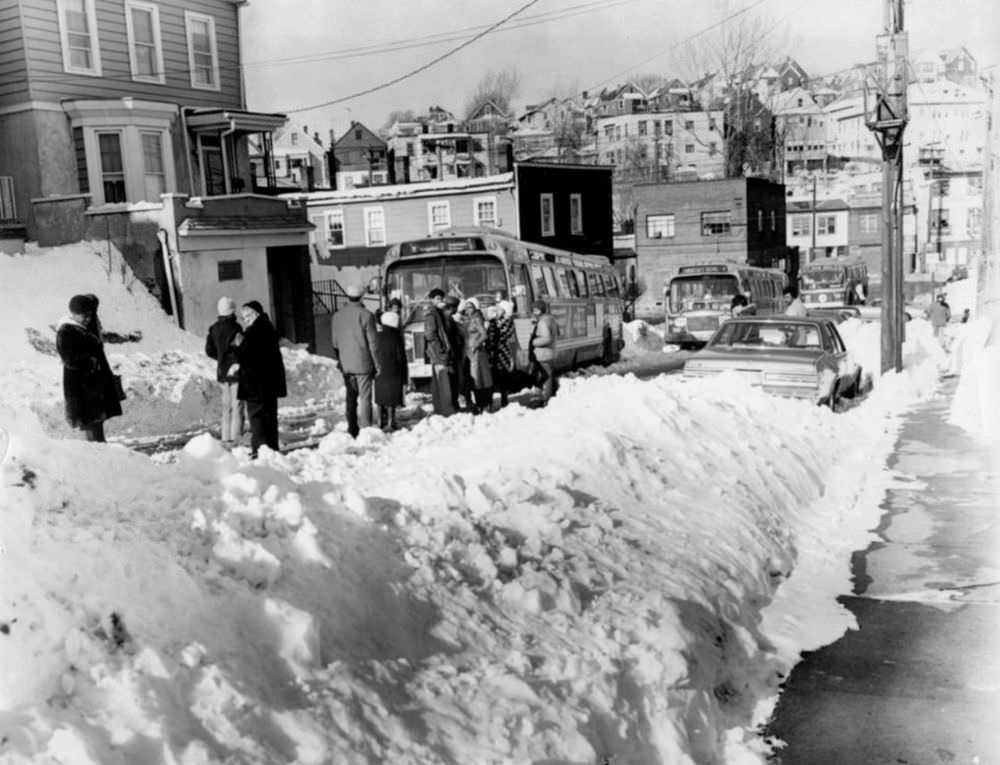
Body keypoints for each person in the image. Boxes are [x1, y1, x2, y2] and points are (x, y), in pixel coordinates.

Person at [56, 293, 123, 443]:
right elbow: (69, 359)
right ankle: (98, 455)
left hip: (92, 385)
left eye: (89, 315)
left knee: (96, 422)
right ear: (74, 314)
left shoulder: (84, 328)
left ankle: (100, 450)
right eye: (83, 316)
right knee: (90, 423)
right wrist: (91, 363)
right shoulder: (66, 331)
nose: (87, 319)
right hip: (81, 387)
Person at [234, 300, 287, 458]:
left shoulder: (251, 333)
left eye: (247, 316)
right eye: (243, 317)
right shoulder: (269, 328)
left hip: (255, 384)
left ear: (254, 314)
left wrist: (238, 346)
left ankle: (260, 450)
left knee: (257, 419)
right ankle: (272, 447)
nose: (245, 319)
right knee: (270, 416)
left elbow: (246, 357)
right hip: (270, 382)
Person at [331, 284, 380, 438]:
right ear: (362, 297)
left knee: (350, 397)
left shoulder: (337, 316)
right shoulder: (367, 315)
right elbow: (373, 344)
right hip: (363, 363)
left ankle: (352, 427)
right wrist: (377, 364)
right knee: (365, 398)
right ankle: (366, 429)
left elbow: (335, 342)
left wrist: (340, 359)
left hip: (345, 362)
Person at [205, 296, 244, 447]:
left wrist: (221, 358)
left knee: (226, 407)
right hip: (235, 371)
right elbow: (242, 348)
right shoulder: (236, 328)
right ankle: (236, 438)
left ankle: (225, 437)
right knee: (237, 405)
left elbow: (209, 350)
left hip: (222, 371)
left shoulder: (213, 328)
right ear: (232, 311)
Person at [373, 310, 408, 431]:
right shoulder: (396, 338)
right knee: (391, 399)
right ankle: (390, 421)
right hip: (394, 372)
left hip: (380, 371)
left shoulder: (377, 336)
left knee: (381, 398)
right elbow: (401, 358)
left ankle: (379, 420)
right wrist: (405, 377)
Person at [423, 288, 455, 416]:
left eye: (441, 298)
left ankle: (440, 410)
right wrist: (441, 350)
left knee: (438, 383)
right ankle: (447, 410)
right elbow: (430, 334)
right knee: (443, 383)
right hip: (438, 353)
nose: (440, 301)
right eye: (437, 298)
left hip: (436, 352)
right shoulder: (431, 314)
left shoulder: (438, 312)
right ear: (431, 299)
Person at [460, 298, 493, 414]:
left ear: (475, 307)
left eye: (470, 307)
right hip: (468, 353)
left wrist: (476, 344)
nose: (468, 309)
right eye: (466, 307)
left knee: (479, 379)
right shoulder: (467, 319)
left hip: (476, 353)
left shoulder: (477, 318)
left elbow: (484, 335)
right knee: (474, 379)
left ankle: (484, 404)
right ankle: (480, 403)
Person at [486, 301, 516, 409]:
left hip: (501, 353)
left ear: (504, 311)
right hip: (496, 353)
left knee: (500, 377)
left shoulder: (506, 321)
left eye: (499, 309)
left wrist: (492, 324)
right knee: (495, 377)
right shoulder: (497, 321)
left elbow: (500, 336)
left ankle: (502, 400)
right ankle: (494, 401)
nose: (496, 310)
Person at [528, 299, 559, 404]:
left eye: (535, 310)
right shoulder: (551, 319)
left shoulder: (542, 322)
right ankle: (549, 396)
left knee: (546, 376)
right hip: (550, 352)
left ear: (540, 310)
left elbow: (547, 338)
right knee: (548, 375)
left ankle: (546, 398)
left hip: (543, 354)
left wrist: (534, 342)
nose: (534, 312)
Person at [443, 295, 465, 411]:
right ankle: (454, 404)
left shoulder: (449, 319)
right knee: (452, 381)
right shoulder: (447, 320)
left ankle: (455, 403)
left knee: (454, 380)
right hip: (451, 354)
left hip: (454, 353)